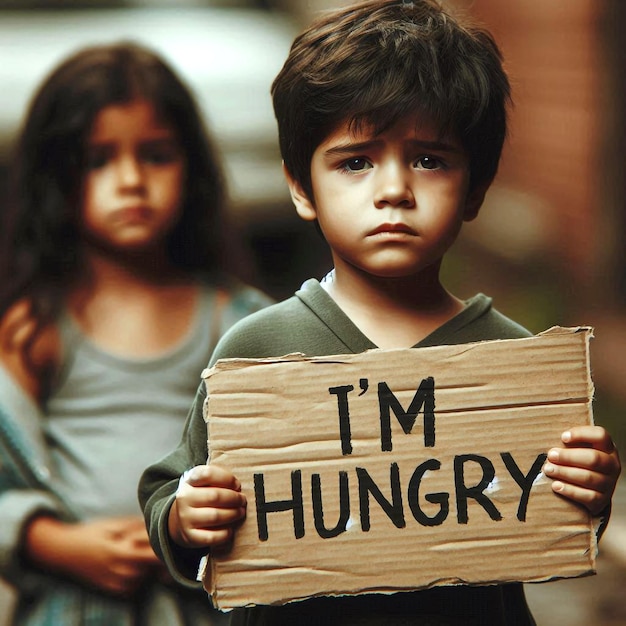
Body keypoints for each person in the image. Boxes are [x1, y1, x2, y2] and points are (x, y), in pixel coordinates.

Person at [139, 1, 622, 624]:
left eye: (429, 159)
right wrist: (185, 517)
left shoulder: (514, 365)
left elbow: (544, 515)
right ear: (300, 188)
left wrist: (590, 489)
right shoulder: (256, 349)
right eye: (356, 161)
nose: (394, 189)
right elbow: (168, 492)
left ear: (475, 189)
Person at [0, 42, 272, 626]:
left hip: (206, 601)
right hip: (74, 605)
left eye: (155, 155)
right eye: (97, 160)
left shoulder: (240, 322)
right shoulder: (35, 328)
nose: (129, 180)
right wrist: (53, 542)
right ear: (54, 177)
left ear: (192, 169)